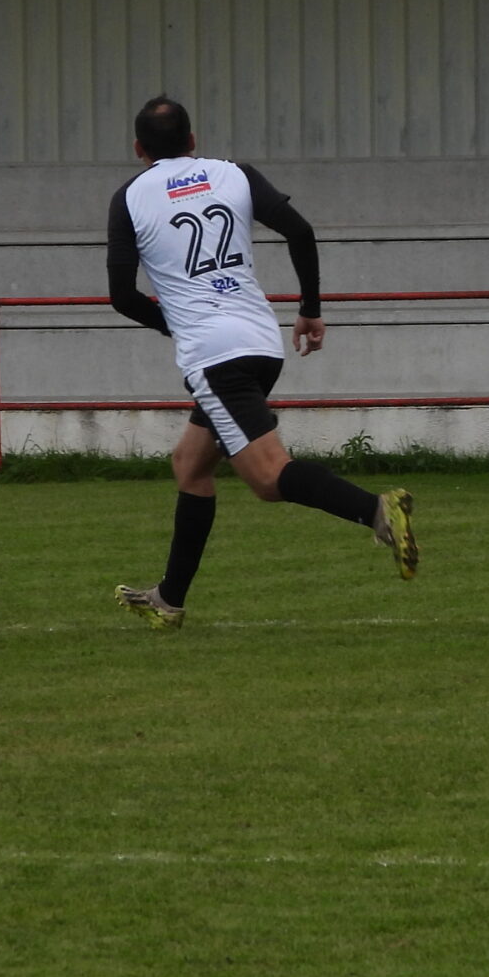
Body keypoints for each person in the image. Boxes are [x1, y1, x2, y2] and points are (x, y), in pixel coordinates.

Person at [107, 97, 418, 631]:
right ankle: (168, 599)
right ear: (193, 140)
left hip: (214, 357)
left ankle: (377, 510)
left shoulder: (130, 197)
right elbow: (300, 231)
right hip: (260, 341)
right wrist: (310, 310)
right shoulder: (236, 174)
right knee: (190, 466)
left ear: (138, 148)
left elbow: (121, 295)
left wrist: (175, 323)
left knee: (269, 478)